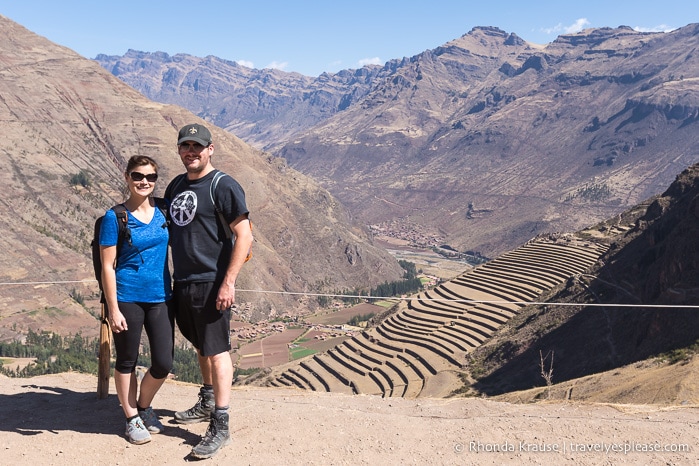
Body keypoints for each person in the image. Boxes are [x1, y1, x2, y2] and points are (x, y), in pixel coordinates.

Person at [165, 123, 253, 459]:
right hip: (184, 281)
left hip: (212, 282)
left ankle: (222, 422)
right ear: (179, 150)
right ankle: (206, 398)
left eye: (197, 147)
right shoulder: (176, 185)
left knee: (216, 351)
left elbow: (244, 236)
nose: (192, 152)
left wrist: (228, 282)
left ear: (211, 148)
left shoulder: (223, 185)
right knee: (201, 345)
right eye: (186, 146)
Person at [100, 155, 174, 445]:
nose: (145, 181)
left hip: (161, 297)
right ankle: (131, 418)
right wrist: (113, 309)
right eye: (138, 176)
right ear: (127, 177)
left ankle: (144, 406)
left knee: (164, 362)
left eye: (151, 177)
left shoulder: (164, 211)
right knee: (127, 360)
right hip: (127, 297)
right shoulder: (114, 217)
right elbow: (108, 265)